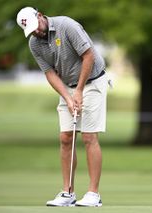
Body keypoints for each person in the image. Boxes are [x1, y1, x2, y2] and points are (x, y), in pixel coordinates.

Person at [16, 7, 108, 207]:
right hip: (68, 86)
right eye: (31, 31)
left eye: (36, 26)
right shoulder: (34, 43)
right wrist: (67, 96)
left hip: (92, 81)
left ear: (40, 16)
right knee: (66, 137)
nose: (36, 32)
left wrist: (80, 91)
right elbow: (49, 73)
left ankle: (94, 194)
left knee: (89, 136)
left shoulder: (66, 26)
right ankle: (68, 193)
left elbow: (89, 56)